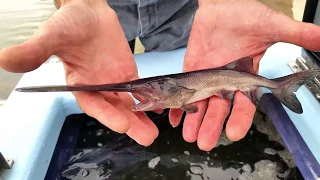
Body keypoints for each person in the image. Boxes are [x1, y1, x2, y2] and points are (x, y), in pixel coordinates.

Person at [1, 0, 320, 151]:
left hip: (188, 13)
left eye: (152, 91)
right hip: (103, 18)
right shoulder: (178, 95)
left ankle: (279, 88)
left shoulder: (184, 92)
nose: (143, 94)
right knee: (116, 85)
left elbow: (186, 100)